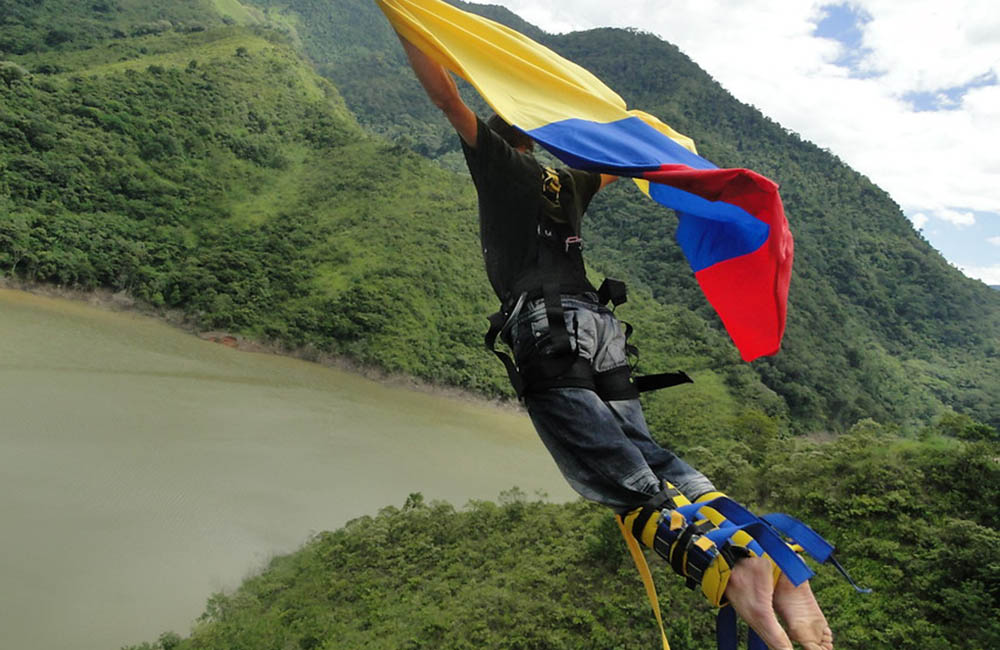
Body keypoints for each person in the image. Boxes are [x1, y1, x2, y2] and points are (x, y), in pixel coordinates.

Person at [395, 32, 833, 650]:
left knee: (617, 476)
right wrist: (631, 130)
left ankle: (735, 575)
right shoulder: (568, 183)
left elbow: (445, 97)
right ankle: (757, 542)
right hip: (599, 330)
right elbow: (613, 164)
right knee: (648, 454)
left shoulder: (500, 163)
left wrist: (408, 23)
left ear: (502, 134)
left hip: (548, 333)